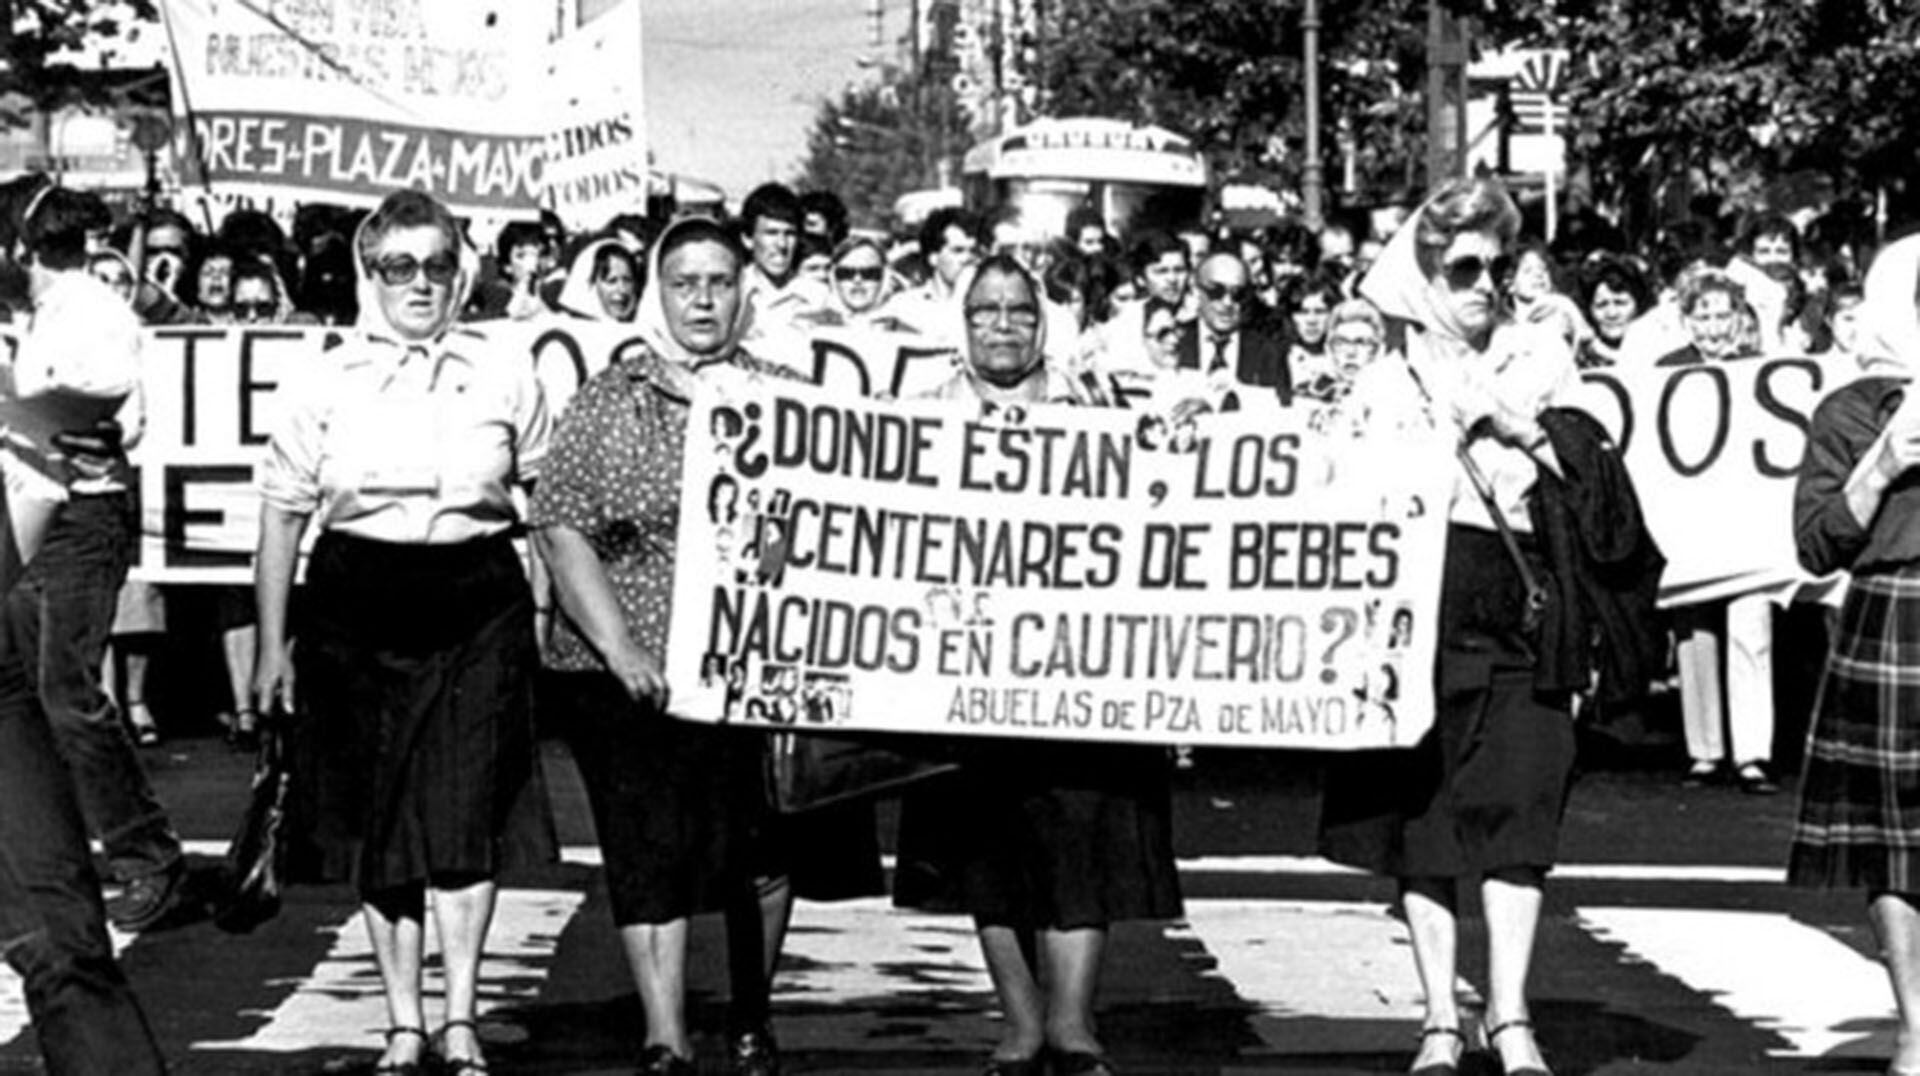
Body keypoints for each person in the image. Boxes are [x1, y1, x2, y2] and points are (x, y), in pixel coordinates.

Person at [532, 216, 878, 1076]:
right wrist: (621, 651)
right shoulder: (612, 397)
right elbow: (560, 526)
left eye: (719, 282)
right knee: (648, 851)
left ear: (744, 292)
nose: (702, 299)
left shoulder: (790, 395)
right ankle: (665, 1034)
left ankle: (753, 1017)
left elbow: (845, 521)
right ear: (659, 290)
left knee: (759, 846)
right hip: (630, 672)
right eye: (684, 282)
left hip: (752, 671)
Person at [252, 188, 556, 1076]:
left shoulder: (505, 368)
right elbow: (279, 515)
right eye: (398, 267)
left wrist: (543, 613)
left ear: (461, 272)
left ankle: (460, 1017)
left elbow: (542, 502)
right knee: (378, 823)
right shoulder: (322, 376)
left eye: (436, 265)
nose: (419, 284)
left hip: (477, 598)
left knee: (465, 816)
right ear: (368, 272)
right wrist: (273, 648)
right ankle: (403, 1022)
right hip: (356, 599)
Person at [1318, 177, 1593, 1076]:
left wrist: (1502, 419)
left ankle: (1511, 1017)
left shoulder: (1541, 355)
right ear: (1423, 273)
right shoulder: (1381, 377)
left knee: (1519, 815)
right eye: (1464, 266)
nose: (1486, 283)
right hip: (1413, 609)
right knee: (1423, 822)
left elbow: (1587, 476)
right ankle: (1441, 1015)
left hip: (1516, 596)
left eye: (1499, 265)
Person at [897, 255, 1181, 1076]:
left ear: (1042, 320)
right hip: (966, 670)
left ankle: (1073, 1022)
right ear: (963, 320)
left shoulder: (1092, 404)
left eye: (1019, 311)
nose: (1002, 326)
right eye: (985, 311)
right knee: (988, 849)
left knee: (1082, 840)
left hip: (1080, 669)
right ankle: (1019, 1023)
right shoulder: (919, 416)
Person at [3, 186, 186, 933]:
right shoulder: (40, 313)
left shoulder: (96, 312)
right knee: (23, 689)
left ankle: (147, 852)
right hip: (29, 503)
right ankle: (48, 854)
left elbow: (119, 411)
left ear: (21, 246)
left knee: (66, 691)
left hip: (81, 512)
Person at [1790, 232, 1920, 1076]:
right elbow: (1815, 545)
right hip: (1899, 614)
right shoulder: (1852, 410)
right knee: (1900, 835)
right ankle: (1917, 1024)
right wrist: (1881, 465)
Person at [1174, 250, 1294, 400]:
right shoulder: (1174, 342)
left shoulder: (1269, 352)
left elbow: (1282, 411)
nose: (1227, 302)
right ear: (1197, 291)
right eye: (1216, 292)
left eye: (1238, 294)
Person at [1574, 255, 1654, 368]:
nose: (1612, 314)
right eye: (1601, 305)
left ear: (1638, 306)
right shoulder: (1578, 360)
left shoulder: (1658, 351)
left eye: (1620, 303)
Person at [556, 238, 642, 322]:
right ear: (590, 284)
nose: (622, 289)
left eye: (628, 280)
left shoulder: (644, 329)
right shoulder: (564, 328)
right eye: (612, 281)